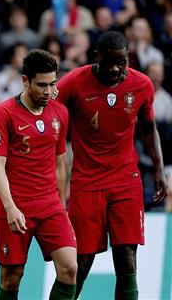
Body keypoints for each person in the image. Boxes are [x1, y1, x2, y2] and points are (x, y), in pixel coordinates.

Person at [56, 31, 170, 300]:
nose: (116, 68)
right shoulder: (74, 82)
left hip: (125, 180)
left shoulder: (141, 85)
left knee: (127, 259)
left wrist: (158, 168)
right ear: (97, 57)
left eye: (122, 62)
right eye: (109, 62)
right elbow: (48, 111)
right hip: (86, 182)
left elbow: (149, 128)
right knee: (79, 263)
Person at [0, 49, 77, 300]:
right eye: (42, 85)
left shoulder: (60, 113)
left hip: (50, 206)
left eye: (52, 84)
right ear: (25, 81)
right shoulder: (4, 113)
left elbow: (60, 163)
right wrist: (10, 208)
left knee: (70, 267)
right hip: (16, 206)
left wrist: (62, 206)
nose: (48, 91)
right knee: (11, 278)